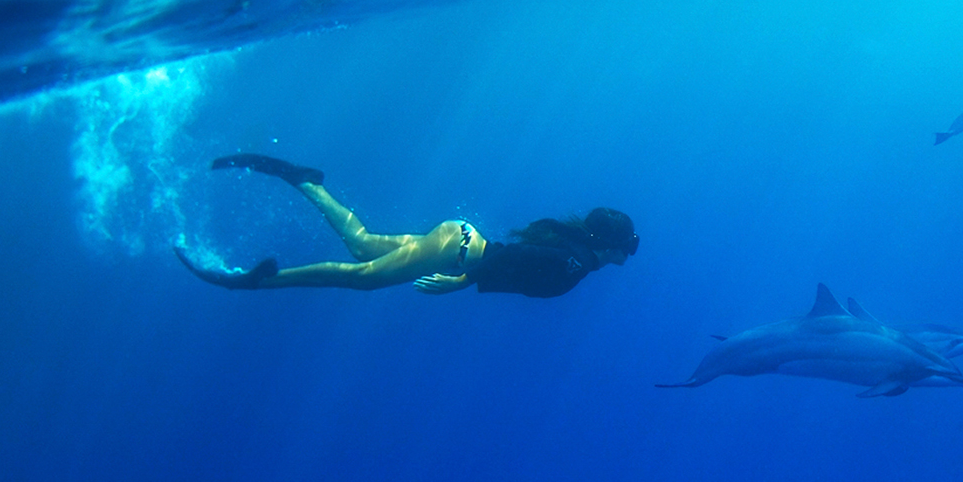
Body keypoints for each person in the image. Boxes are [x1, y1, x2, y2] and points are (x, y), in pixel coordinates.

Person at [174, 154, 637, 296]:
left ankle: (305, 181)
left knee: (361, 244)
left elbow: (521, 255)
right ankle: (258, 282)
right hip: (456, 253)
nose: (628, 253)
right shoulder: (576, 262)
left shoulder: (580, 257)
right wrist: (461, 281)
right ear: (609, 243)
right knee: (362, 279)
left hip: (459, 236)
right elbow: (516, 256)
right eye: (627, 246)